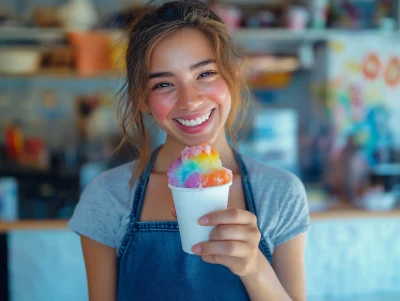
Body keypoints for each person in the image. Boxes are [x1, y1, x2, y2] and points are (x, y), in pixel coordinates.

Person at [68, 1, 310, 300]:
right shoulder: (109, 196)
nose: (189, 101)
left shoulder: (278, 193)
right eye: (164, 84)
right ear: (142, 99)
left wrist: (255, 268)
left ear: (233, 75)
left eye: (205, 74)